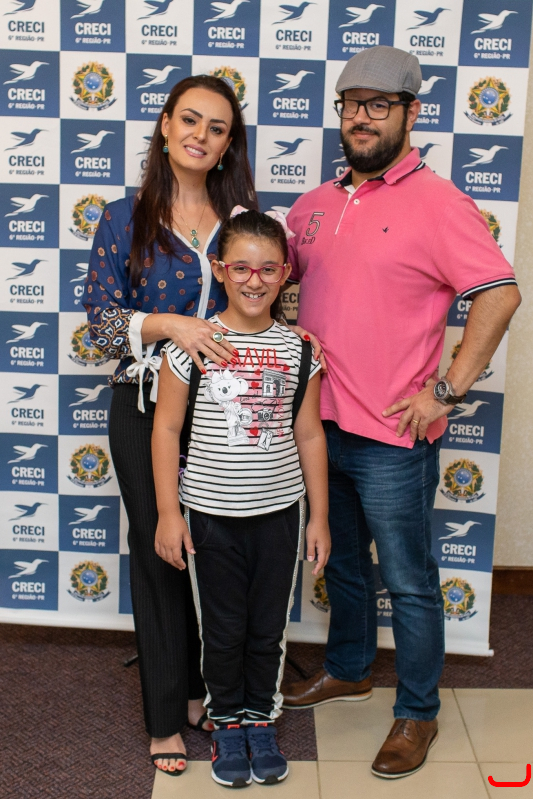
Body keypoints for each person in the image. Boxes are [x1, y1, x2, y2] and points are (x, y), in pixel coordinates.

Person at [282, 45, 521, 779]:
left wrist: (445, 391)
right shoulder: (312, 205)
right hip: (320, 426)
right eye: (351, 104)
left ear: (410, 113)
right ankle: (350, 668)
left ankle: (417, 711)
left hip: (392, 434)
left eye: (378, 104)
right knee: (343, 562)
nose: (361, 117)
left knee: (410, 580)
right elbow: (289, 294)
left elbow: (499, 293)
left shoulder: (439, 202)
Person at [82, 75, 259, 776]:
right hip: (142, 404)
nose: (200, 135)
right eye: (189, 120)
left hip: (222, 410)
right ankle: (164, 717)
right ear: (164, 125)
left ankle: (196, 689)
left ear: (228, 144)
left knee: (212, 546)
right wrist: (170, 325)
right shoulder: (123, 217)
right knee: (160, 546)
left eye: (217, 128)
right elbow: (101, 325)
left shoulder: (242, 218)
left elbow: (271, 299)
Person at [152, 209, 331, 787]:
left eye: (268, 269)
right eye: (241, 268)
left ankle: (261, 718)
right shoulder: (192, 345)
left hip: (279, 516)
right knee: (223, 628)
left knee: (267, 628)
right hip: (210, 518)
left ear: (285, 275)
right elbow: (166, 430)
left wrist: (319, 517)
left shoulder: (300, 350)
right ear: (219, 269)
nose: (255, 281)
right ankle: (227, 721)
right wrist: (168, 513)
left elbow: (309, 434)